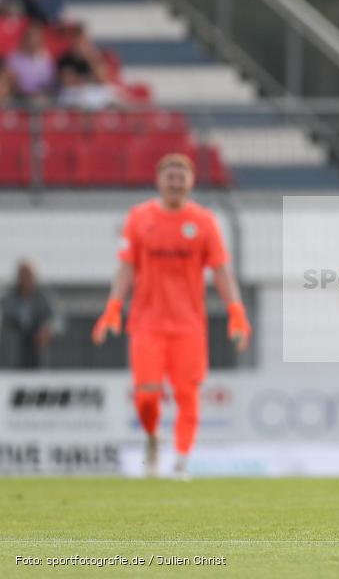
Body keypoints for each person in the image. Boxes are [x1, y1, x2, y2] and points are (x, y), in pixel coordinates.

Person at [92, 153, 251, 480]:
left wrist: (236, 311)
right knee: (146, 395)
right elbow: (126, 267)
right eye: (170, 176)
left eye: (181, 177)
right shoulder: (139, 218)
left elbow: (221, 271)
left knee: (187, 395)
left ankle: (181, 460)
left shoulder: (204, 221)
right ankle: (152, 437)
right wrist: (113, 307)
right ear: (159, 180)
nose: (176, 183)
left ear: (191, 182)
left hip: (188, 326)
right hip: (147, 323)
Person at [0, 260, 57, 368]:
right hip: (14, 347)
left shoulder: (43, 298)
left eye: (29, 276)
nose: (26, 279)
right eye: (23, 276)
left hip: (37, 346)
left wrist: (47, 329)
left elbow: (56, 319)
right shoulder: (8, 298)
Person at [6, 21, 53, 102]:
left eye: (37, 37)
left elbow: (50, 82)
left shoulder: (46, 57)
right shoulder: (14, 58)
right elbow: (9, 81)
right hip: (18, 98)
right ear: (25, 38)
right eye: (31, 37)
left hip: (41, 98)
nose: (34, 40)